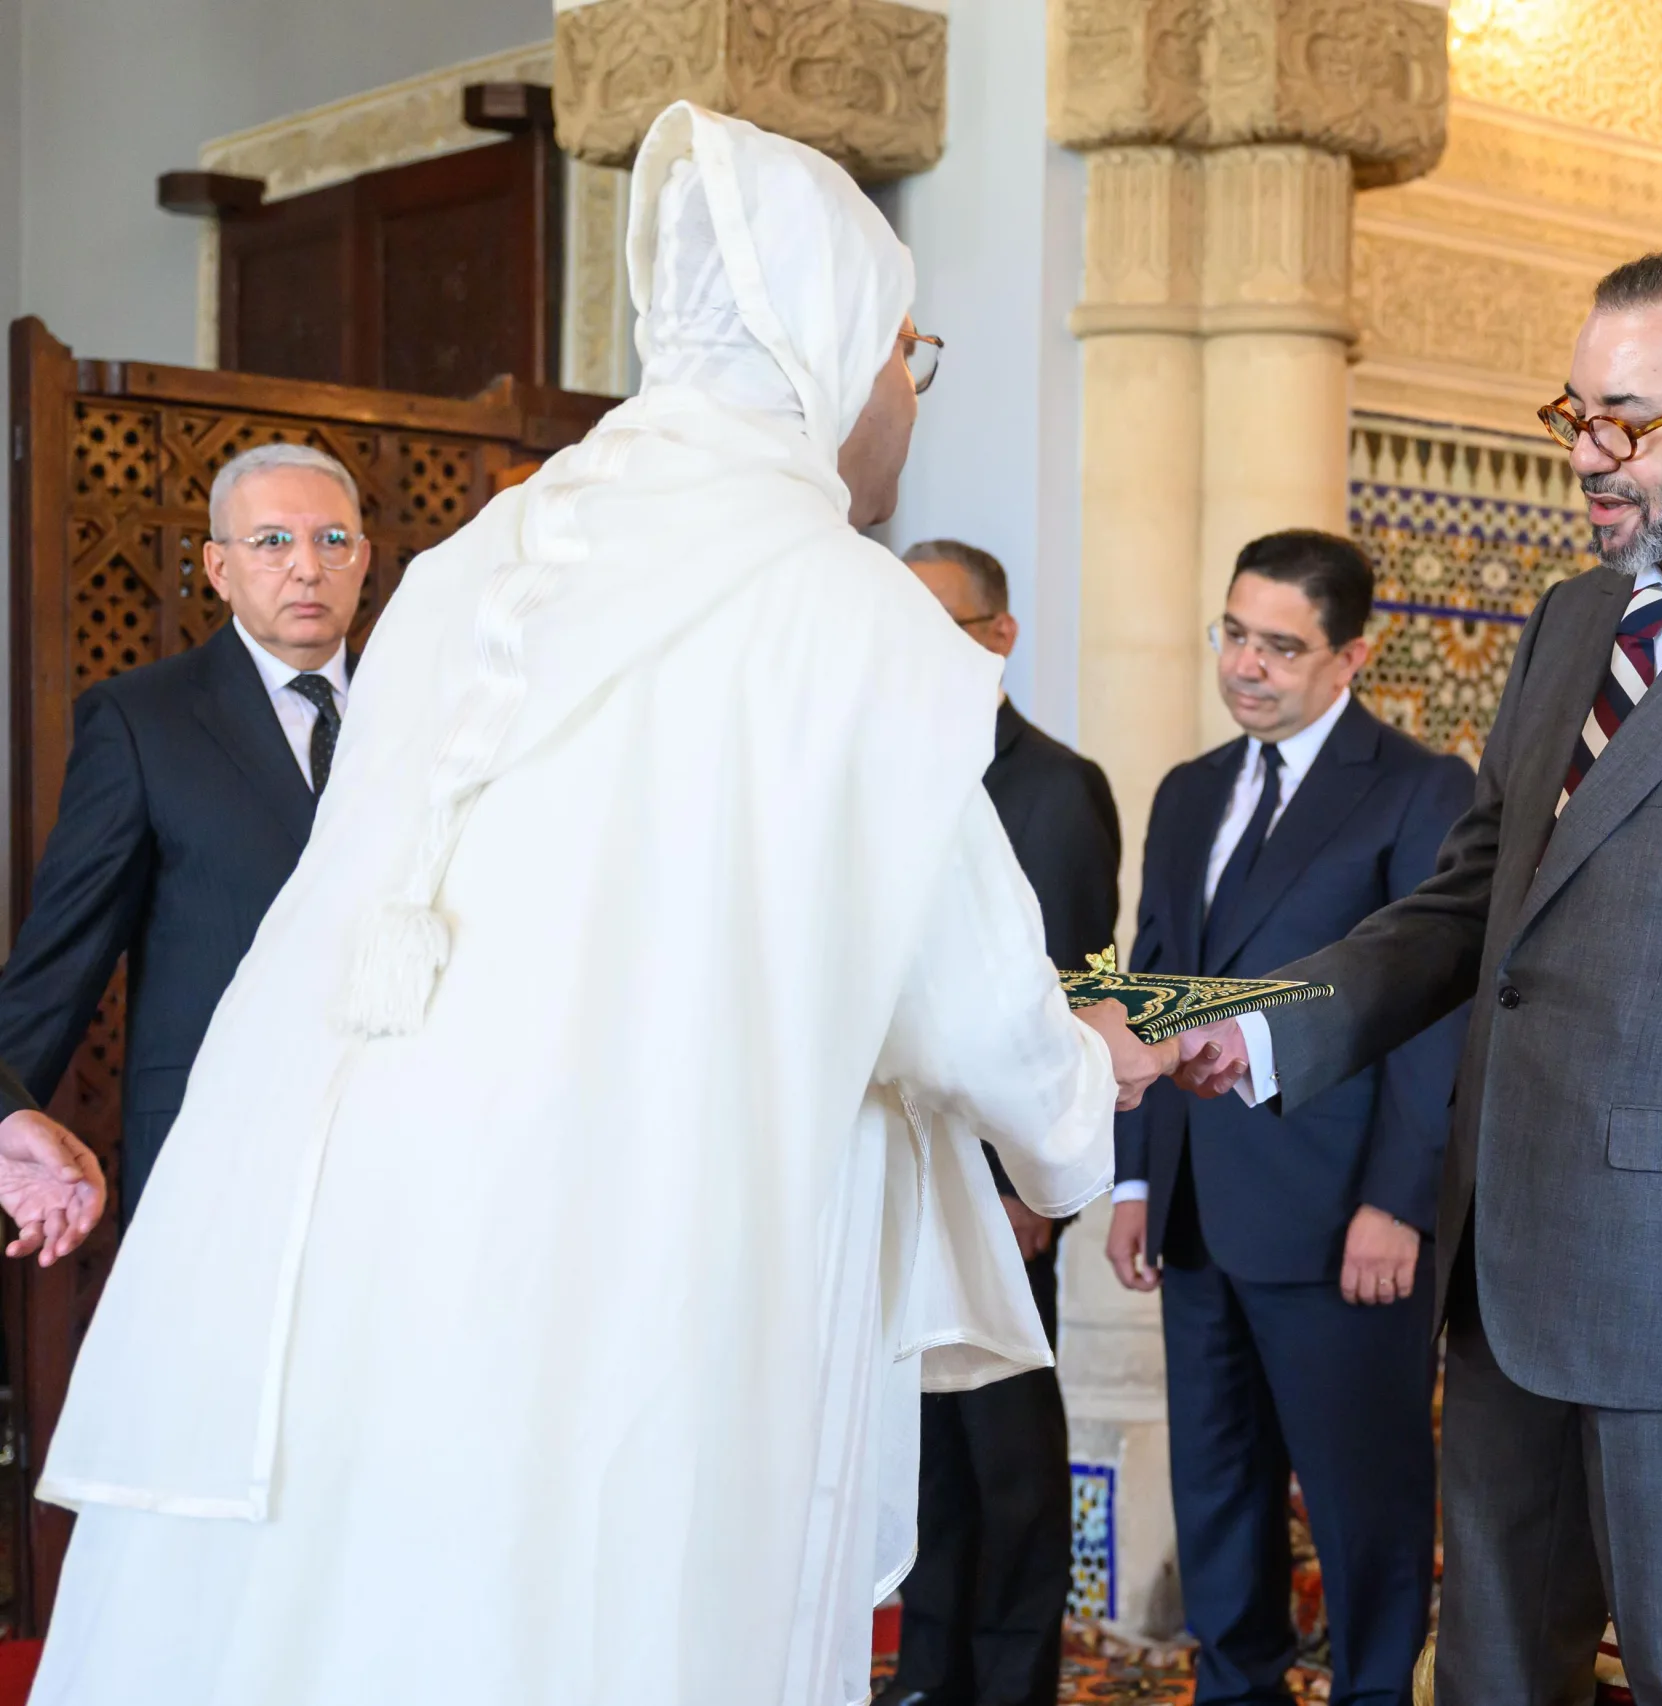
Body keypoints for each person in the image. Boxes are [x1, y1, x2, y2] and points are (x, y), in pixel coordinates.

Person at [18, 102, 1180, 1706]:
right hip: (627, 1241)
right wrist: (1081, 1083)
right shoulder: (842, 608)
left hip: (363, 1230)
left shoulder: (475, 560)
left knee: (364, 1608)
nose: (910, 393)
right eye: (909, 352)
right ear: (831, 349)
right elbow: (969, 989)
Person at [1177, 246, 1662, 1706]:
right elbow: (1471, 906)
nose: (1587, 457)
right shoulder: (1570, 623)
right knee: (1491, 1674)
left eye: (1627, 421)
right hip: (1505, 1274)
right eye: (1574, 415)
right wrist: (1262, 1029)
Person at [1111, 531, 1471, 1706]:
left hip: (1339, 1222)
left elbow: (1433, 1009)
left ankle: (1373, 1694)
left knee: (1364, 1505)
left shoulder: (1420, 788)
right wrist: (1133, 1177)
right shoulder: (1187, 791)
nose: (1244, 664)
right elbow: (1150, 988)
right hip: (1197, 1214)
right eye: (1233, 633)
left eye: (1278, 645)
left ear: (1348, 656)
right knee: (1218, 1494)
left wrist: (1396, 1202)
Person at [0, 443, 366, 1221]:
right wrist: (3, 1109)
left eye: (331, 540)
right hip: (214, 1146)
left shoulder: (430, 714)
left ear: (363, 558)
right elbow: (63, 953)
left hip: (397, 1141)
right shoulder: (143, 721)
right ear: (219, 567)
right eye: (272, 541)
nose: (307, 568)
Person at [885, 536, 1119, 1706]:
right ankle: (929, 1673)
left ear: (999, 634)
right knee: (927, 1446)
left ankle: (1014, 1680)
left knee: (1011, 1457)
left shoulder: (1053, 786)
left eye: (940, 621)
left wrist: (1028, 1183)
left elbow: (1063, 996)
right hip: (909, 1169)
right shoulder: (891, 762)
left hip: (1006, 1181)